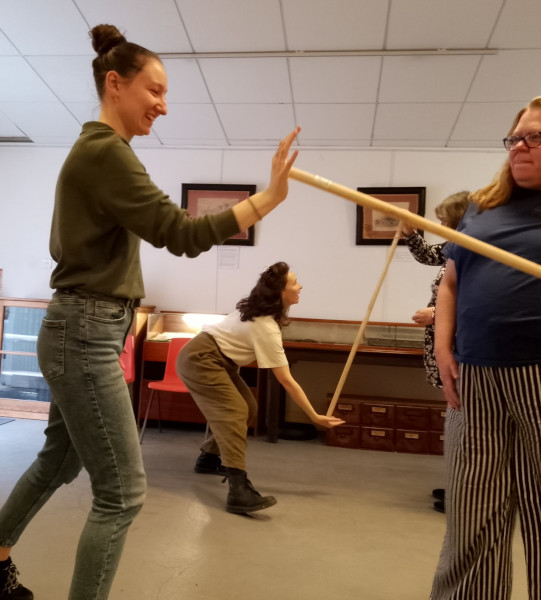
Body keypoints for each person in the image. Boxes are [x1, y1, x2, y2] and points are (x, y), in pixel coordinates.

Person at [0, 24, 300, 600]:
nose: (163, 106)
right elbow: (179, 233)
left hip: (87, 329)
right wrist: (267, 199)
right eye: (154, 91)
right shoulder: (105, 153)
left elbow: (163, 229)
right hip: (84, 331)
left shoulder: (104, 154)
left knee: (59, 463)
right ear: (116, 84)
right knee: (122, 493)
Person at [431, 94, 541, 600]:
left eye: (535, 137)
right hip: (476, 376)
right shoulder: (486, 204)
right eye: (514, 138)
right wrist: (444, 346)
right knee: (471, 512)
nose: (519, 148)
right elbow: (451, 281)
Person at [176, 262, 345, 514]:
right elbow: (286, 380)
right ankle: (238, 491)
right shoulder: (265, 326)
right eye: (294, 283)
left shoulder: (260, 314)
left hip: (217, 360)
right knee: (235, 413)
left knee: (250, 408)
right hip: (201, 360)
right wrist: (314, 416)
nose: (300, 287)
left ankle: (209, 458)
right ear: (280, 292)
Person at [402, 191, 470, 514]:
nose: (440, 226)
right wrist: (410, 233)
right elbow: (428, 255)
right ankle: (459, 484)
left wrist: (435, 314)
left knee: (464, 419)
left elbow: (472, 300)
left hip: (461, 349)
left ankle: (464, 490)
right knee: (456, 417)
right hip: (445, 347)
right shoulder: (453, 248)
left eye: (444, 221)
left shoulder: (475, 252)